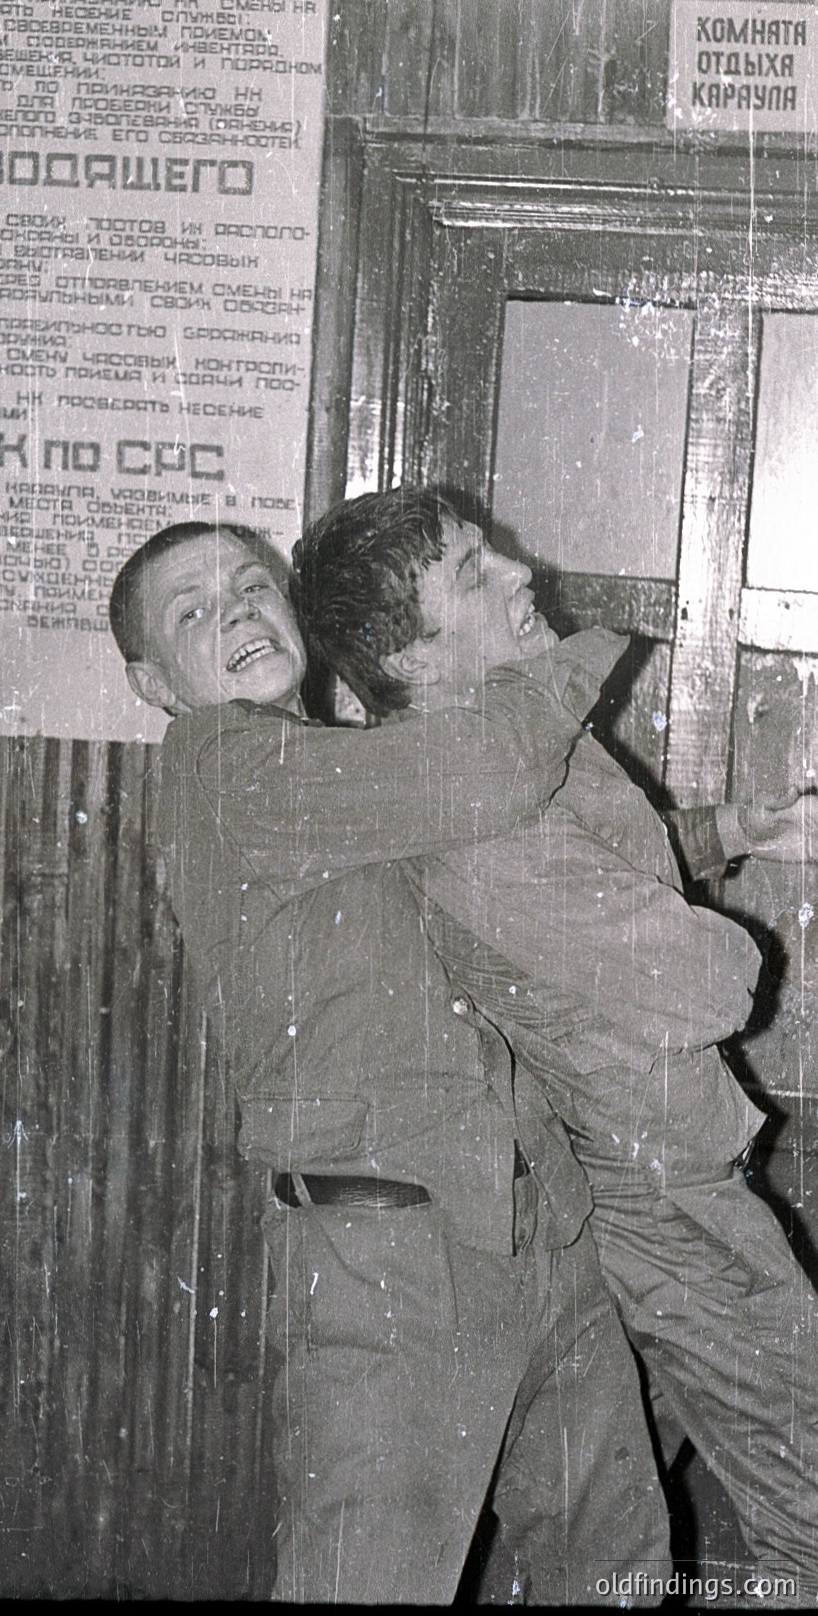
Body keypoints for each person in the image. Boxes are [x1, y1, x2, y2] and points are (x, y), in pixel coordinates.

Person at [109, 520, 669, 1604]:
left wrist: (750, 825)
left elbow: (550, 863)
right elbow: (492, 772)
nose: (233, 613)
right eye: (191, 613)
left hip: (537, 1219)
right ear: (151, 683)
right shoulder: (225, 766)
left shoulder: (351, 763)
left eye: (250, 584)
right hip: (388, 1250)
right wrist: (575, 650)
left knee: (616, 1574)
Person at [291, 484, 818, 1601]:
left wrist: (731, 833)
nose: (518, 573)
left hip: (650, 1178)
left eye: (494, 552)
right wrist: (718, 948)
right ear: (415, 657)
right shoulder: (477, 815)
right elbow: (698, 987)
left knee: (650, 1514)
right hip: (665, 1201)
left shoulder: (500, 744)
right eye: (472, 575)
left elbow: (602, 879)